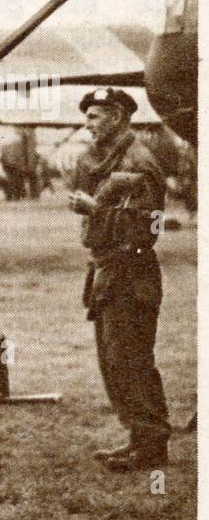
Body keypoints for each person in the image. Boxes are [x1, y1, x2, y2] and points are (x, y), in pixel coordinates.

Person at [67, 88, 171, 471]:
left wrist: (94, 209)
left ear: (115, 117)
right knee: (113, 360)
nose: (88, 123)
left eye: (94, 116)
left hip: (132, 272)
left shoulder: (139, 160)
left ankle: (151, 443)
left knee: (130, 359)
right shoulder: (101, 159)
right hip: (107, 270)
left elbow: (149, 226)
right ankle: (138, 437)